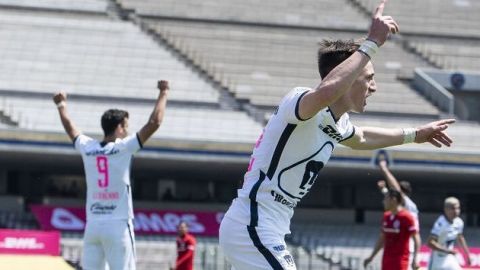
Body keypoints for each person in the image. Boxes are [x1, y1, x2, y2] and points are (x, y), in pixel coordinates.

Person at [218, 0, 455, 269]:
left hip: (267, 227)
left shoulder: (337, 123)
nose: (374, 87)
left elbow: (364, 138)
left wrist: (415, 134)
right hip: (252, 224)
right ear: (347, 78)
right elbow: (326, 91)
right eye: (369, 78)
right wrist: (371, 43)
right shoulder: (301, 101)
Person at [53, 80, 170, 270]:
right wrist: (164, 92)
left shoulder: (88, 147)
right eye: (126, 126)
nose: (128, 130)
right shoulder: (123, 147)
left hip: (93, 225)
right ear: (119, 128)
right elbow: (154, 122)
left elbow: (71, 130)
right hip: (118, 225)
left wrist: (61, 105)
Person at [376, 152, 420, 269]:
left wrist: (384, 169)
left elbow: (396, 192)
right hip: (397, 254)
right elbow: (390, 197)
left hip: (407, 251)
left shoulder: (409, 206)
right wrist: (384, 189)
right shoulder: (402, 207)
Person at [363, 190, 420, 270]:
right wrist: (371, 256)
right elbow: (382, 238)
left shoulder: (406, 217)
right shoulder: (386, 216)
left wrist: (415, 258)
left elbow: (416, 238)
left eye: (386, 199)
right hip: (386, 260)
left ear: (393, 199)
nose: (383, 201)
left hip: (400, 260)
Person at [427, 197, 472, 270]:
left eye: (458, 208)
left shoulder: (459, 222)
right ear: (446, 209)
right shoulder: (440, 223)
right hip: (437, 259)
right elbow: (430, 243)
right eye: (453, 208)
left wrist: (468, 255)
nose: (456, 211)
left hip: (449, 257)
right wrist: (447, 251)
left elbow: (460, 237)